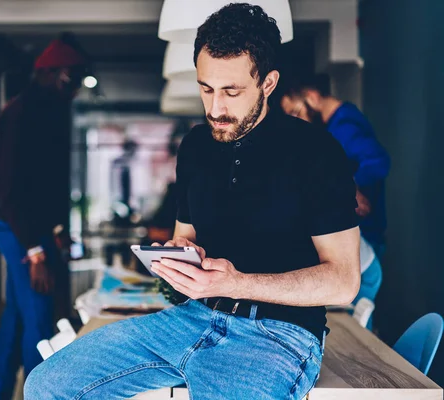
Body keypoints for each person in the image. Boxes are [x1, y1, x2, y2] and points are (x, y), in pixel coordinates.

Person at [24, 4, 361, 399]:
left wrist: (238, 283)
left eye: (232, 92)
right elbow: (185, 239)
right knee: (46, 386)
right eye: (206, 89)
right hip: (192, 318)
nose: (216, 109)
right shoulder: (196, 147)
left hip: (277, 335)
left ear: (268, 84)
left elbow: (343, 281)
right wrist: (177, 257)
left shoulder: (315, 151)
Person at [0, 33, 88, 400]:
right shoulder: (20, 113)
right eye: (72, 80)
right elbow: (11, 190)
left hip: (33, 231)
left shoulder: (47, 112)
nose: (75, 89)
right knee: (40, 323)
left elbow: (46, 184)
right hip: (21, 232)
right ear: (55, 73)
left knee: (15, 323)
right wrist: (35, 252)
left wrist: (58, 230)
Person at [281, 75, 389, 311]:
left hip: (365, 237)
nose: (296, 120)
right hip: (358, 236)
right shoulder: (336, 125)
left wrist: (349, 188)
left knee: (356, 317)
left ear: (311, 96)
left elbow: (379, 162)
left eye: (296, 112)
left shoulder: (343, 126)